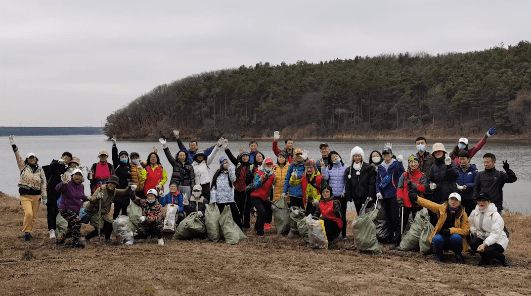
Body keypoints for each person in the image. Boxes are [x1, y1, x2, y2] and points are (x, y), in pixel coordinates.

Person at [409, 191, 470, 263]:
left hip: (453, 237)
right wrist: (417, 199)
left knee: (456, 237)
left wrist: (451, 230)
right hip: (441, 236)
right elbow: (429, 204)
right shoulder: (442, 208)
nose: (453, 202)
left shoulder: (463, 214)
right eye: (451, 199)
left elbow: (466, 231)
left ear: (459, 203)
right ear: (448, 200)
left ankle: (458, 254)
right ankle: (438, 254)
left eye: (456, 200)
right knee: (437, 239)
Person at [9, 135, 47, 241]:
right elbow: (17, 156)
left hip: (37, 196)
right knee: (28, 214)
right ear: (27, 159)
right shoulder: (23, 167)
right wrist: (13, 145)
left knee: (33, 216)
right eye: (30, 158)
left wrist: (44, 197)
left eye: (33, 158)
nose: (32, 159)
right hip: (25, 196)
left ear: (36, 159)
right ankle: (26, 232)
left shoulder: (40, 170)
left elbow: (43, 183)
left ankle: (29, 232)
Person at [84, 176, 133, 243]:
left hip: (104, 213)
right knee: (100, 229)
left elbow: (124, 192)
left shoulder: (114, 191)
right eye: (111, 183)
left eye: (114, 184)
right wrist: (97, 197)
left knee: (111, 224)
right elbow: (92, 200)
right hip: (95, 212)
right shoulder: (101, 189)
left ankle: (107, 239)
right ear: (108, 183)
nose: (112, 185)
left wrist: (130, 188)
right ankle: (86, 238)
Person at [468, 192, 509, 266]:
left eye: (484, 201)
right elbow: (471, 225)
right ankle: (486, 258)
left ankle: (501, 257)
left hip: (498, 240)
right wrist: (476, 233)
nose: (481, 203)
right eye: (479, 200)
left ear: (489, 202)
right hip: (483, 237)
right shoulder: (474, 212)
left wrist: (484, 244)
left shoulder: (495, 215)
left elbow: (495, 234)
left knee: (487, 250)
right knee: (473, 244)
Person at [376, 147, 405, 246]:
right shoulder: (380, 166)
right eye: (384, 154)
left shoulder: (396, 164)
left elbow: (402, 175)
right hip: (384, 196)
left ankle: (396, 239)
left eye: (388, 154)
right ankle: (389, 236)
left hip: (394, 194)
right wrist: (378, 191)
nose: (386, 156)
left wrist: (400, 163)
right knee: (387, 217)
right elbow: (378, 181)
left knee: (395, 217)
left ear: (391, 154)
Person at [42, 151, 72, 239]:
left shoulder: (67, 169)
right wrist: (59, 163)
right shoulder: (54, 163)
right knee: (51, 211)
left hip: (61, 194)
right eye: (65, 158)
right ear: (61, 157)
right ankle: (51, 230)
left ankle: (58, 230)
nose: (66, 160)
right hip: (51, 192)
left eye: (68, 160)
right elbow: (52, 170)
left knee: (58, 212)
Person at [224, 140, 254, 228]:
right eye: (243, 156)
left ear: (249, 158)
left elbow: (254, 177)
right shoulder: (238, 164)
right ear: (241, 157)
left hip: (247, 190)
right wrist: (226, 149)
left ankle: (246, 225)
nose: (245, 157)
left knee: (246, 209)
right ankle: (238, 224)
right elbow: (231, 157)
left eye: (246, 156)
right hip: (237, 189)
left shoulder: (251, 166)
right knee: (238, 208)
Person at [55, 169, 87, 248]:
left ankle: (61, 240)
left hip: (75, 209)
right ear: (72, 176)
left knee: (71, 227)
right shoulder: (67, 184)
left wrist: (92, 198)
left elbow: (82, 196)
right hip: (65, 208)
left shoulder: (81, 186)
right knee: (77, 221)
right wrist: (63, 183)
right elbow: (57, 189)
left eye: (79, 175)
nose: (77, 176)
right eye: (76, 174)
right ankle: (75, 243)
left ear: (82, 177)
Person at [396, 155, 427, 230]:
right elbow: (400, 188)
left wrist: (413, 185)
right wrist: (399, 199)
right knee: (402, 223)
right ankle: (399, 238)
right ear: (409, 164)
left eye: (415, 162)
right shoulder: (404, 175)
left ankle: (417, 238)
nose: (413, 164)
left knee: (418, 223)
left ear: (418, 163)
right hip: (405, 203)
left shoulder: (422, 175)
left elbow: (423, 188)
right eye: (411, 162)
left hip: (417, 203)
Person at [344, 146, 376, 217]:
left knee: (367, 217)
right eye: (355, 156)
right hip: (355, 198)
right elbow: (347, 185)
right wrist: (349, 198)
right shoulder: (348, 170)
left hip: (367, 198)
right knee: (357, 217)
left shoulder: (368, 168)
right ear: (352, 157)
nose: (357, 158)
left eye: (359, 156)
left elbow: (372, 183)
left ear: (361, 156)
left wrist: (370, 195)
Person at [321, 151, 347, 238]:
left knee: (342, 215)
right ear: (330, 160)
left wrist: (344, 191)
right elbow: (326, 177)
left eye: (336, 156)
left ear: (339, 156)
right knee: (334, 215)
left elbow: (346, 181)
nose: (335, 158)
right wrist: (323, 168)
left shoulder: (344, 167)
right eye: (332, 157)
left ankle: (343, 235)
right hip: (333, 197)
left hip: (342, 196)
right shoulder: (329, 168)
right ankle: (336, 233)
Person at [211, 156, 241, 227]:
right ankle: (220, 229)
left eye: (227, 162)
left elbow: (233, 179)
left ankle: (239, 228)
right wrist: (213, 199)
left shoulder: (231, 172)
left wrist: (230, 169)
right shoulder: (217, 173)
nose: (226, 164)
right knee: (220, 216)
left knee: (235, 214)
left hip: (229, 199)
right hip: (219, 200)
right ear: (221, 164)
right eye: (224, 163)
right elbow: (213, 187)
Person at [250, 158, 276, 236]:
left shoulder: (273, 175)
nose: (268, 165)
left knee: (264, 212)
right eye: (267, 164)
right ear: (264, 164)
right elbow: (255, 185)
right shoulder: (259, 172)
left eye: (270, 164)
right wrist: (261, 179)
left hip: (264, 197)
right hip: (255, 196)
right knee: (262, 211)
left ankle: (256, 227)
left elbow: (272, 186)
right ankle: (260, 232)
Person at [191, 138, 221, 203]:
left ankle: (207, 211)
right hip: (197, 185)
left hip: (206, 184)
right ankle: (199, 212)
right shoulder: (192, 165)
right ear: (196, 157)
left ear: (203, 157)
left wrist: (217, 146)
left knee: (207, 200)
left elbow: (212, 155)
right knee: (198, 200)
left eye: (201, 156)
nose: (200, 157)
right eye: (198, 156)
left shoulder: (206, 162)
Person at [110, 138, 132, 218]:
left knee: (125, 210)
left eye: (125, 156)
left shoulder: (129, 166)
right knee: (116, 210)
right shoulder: (117, 165)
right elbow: (114, 156)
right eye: (122, 156)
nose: (124, 158)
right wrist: (114, 145)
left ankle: (123, 227)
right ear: (119, 158)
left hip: (127, 192)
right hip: (118, 191)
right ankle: (113, 225)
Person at [456, 150, 478, 215]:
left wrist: (466, 186)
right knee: (459, 217)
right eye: (460, 159)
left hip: (471, 199)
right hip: (459, 199)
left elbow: (476, 183)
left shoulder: (474, 171)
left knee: (471, 219)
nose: (462, 161)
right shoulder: (455, 171)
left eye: (464, 159)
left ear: (468, 159)